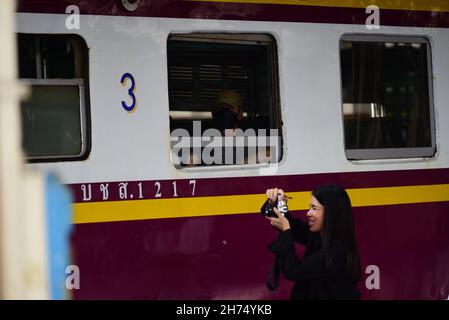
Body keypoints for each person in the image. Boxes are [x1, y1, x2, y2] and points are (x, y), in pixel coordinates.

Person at [261, 185, 361, 300]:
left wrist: (285, 231)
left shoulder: (337, 250)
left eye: (314, 208)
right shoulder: (318, 236)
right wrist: (276, 202)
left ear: (330, 213)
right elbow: (289, 224)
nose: (308, 213)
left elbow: (294, 271)